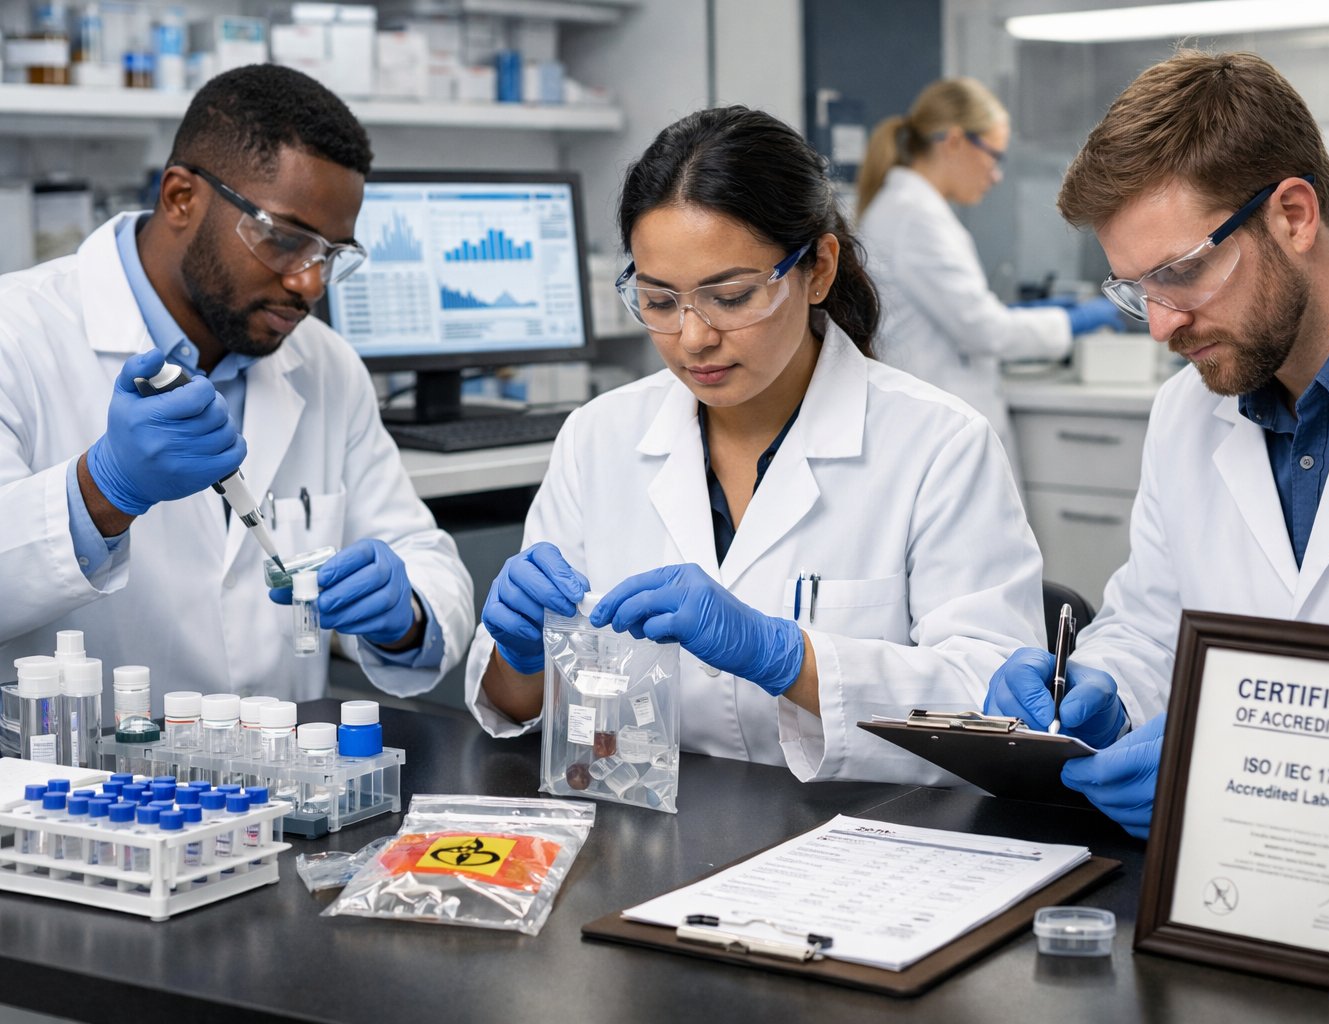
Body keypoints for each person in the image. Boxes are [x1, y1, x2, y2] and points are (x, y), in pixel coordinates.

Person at [985, 50, 1329, 836]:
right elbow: (1153, 625)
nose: (1164, 323)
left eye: (1181, 271)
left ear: (1293, 216)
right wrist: (1102, 687)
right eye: (1138, 291)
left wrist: (1236, 757)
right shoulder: (1187, 414)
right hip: (1236, 881)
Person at [466, 106, 1045, 784]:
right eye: (658, 301)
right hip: (649, 836)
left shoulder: (938, 445)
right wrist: (520, 655)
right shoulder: (599, 436)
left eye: (731, 297)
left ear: (819, 269)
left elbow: (996, 710)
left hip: (862, 841)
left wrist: (785, 656)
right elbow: (516, 707)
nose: (693, 338)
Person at [0, 65, 474, 707]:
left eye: (331, 255)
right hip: (74, 785)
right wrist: (101, 493)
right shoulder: (17, 335)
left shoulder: (327, 365)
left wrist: (406, 614)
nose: (310, 284)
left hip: (283, 781)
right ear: (180, 198)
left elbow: (424, 558)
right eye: (284, 240)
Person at [856, 77, 1123, 468]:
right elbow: (985, 332)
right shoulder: (916, 218)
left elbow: (961, 316)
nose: (996, 175)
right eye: (994, 157)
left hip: (931, 422)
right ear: (954, 141)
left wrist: (1035, 313)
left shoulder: (906, 208)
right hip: (937, 429)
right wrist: (1074, 321)